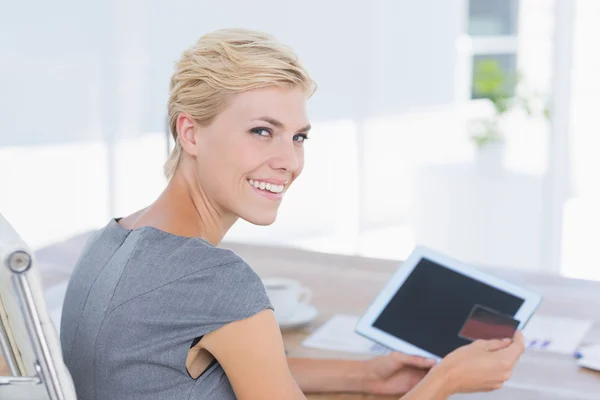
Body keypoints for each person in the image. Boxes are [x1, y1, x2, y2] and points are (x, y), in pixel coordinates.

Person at [60, 28, 524, 400]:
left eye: (298, 136)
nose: (290, 161)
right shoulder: (211, 280)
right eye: (262, 131)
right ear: (191, 133)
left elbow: (228, 363)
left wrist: (369, 377)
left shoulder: (111, 241)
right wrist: (446, 381)